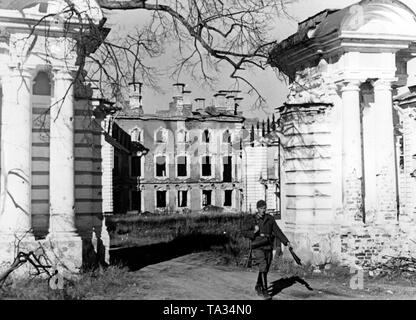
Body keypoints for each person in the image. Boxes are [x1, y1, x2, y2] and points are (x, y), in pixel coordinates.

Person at [241, 200, 291, 299]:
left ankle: (258, 286)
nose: (263, 210)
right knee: (263, 265)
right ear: (257, 208)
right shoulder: (252, 219)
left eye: (264, 208)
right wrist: (254, 232)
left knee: (266, 267)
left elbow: (277, 231)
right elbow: (244, 232)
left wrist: (286, 242)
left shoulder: (270, 219)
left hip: (268, 245)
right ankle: (265, 291)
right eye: (261, 208)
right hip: (257, 245)